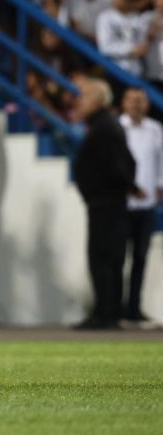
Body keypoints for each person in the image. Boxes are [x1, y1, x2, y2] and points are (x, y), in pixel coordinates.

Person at [73, 78, 139, 330]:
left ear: (99, 100)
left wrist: (125, 185)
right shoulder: (104, 125)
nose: (79, 101)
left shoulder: (104, 127)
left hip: (106, 203)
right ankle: (106, 311)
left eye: (85, 96)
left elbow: (118, 164)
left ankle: (106, 313)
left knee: (104, 258)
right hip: (106, 201)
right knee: (107, 258)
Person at [117, 87, 162, 325]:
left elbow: (161, 161)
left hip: (146, 204)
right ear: (124, 103)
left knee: (141, 258)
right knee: (117, 258)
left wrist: (160, 185)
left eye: (141, 100)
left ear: (147, 104)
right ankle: (113, 307)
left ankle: (134, 308)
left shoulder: (155, 129)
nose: (137, 104)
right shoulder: (118, 128)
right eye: (133, 100)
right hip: (122, 204)